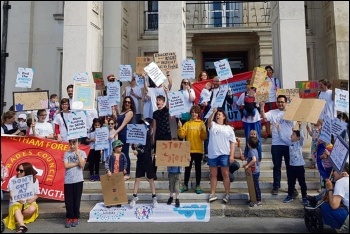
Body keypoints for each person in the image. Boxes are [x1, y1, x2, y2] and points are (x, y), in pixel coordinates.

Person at [260, 95, 296, 196]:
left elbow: (296, 127)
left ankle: (292, 187)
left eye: (282, 102)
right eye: (279, 102)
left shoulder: (291, 113)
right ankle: (276, 186)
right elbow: (264, 116)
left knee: (290, 167)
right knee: (277, 166)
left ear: (286, 102)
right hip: (276, 144)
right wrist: (262, 107)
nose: (280, 104)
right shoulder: (273, 112)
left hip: (289, 144)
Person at [201, 76, 234, 161]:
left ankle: (218, 152)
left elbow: (230, 101)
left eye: (217, 81)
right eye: (214, 81)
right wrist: (204, 103)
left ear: (220, 82)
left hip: (218, 114)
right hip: (209, 114)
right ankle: (206, 153)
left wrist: (230, 93)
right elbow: (202, 101)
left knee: (218, 134)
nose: (216, 83)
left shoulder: (223, 91)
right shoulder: (208, 90)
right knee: (207, 134)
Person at [207, 107, 236, 203]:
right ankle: (212, 193)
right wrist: (213, 112)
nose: (217, 115)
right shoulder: (213, 125)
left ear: (224, 116)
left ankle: (227, 194)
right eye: (217, 114)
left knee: (226, 174)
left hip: (224, 154)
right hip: (213, 154)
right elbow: (209, 122)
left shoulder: (228, 128)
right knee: (213, 174)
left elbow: (232, 143)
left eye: (219, 114)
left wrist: (231, 155)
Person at [178, 105, 207, 194]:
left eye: (196, 112)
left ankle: (198, 185)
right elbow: (181, 135)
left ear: (198, 114)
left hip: (198, 150)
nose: (194, 114)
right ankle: (185, 185)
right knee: (187, 169)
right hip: (188, 150)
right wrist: (179, 127)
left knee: (198, 169)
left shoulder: (202, 124)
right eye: (192, 112)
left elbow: (204, 137)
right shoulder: (187, 124)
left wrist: (203, 130)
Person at [129, 119, 158, 208]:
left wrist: (138, 151)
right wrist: (134, 146)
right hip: (140, 161)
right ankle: (134, 196)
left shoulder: (148, 137)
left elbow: (146, 148)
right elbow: (134, 146)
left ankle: (154, 197)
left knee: (151, 179)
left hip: (148, 160)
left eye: (144, 126)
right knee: (137, 178)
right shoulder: (137, 137)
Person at [3, 162, 40, 233]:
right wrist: (18, 200)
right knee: (16, 208)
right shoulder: (13, 179)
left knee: (32, 208)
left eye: (21, 171)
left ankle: (17, 217)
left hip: (28, 202)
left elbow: (37, 194)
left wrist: (31, 200)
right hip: (16, 202)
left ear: (27, 171)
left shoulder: (34, 180)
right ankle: (22, 225)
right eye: (18, 170)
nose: (19, 172)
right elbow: (11, 195)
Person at [283, 123, 309, 206]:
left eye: (293, 134)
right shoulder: (290, 143)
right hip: (291, 166)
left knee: (302, 182)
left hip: (299, 166)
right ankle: (290, 195)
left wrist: (301, 127)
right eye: (292, 134)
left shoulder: (299, 143)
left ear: (297, 137)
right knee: (291, 182)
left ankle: (304, 197)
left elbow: (302, 137)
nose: (291, 135)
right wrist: (279, 130)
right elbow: (282, 138)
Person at [63, 138, 87, 228]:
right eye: (70, 144)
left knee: (76, 200)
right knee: (68, 200)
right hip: (68, 180)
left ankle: (76, 217)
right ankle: (69, 217)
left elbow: (82, 165)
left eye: (74, 144)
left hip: (78, 180)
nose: (72, 146)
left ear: (78, 143)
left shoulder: (82, 153)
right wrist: (76, 163)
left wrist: (78, 155)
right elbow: (66, 165)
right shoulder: (66, 153)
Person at [319, 162, 349, 230]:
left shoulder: (341, 182)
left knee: (325, 206)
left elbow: (334, 206)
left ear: (342, 172)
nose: (332, 173)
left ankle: (340, 229)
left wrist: (330, 189)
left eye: (334, 170)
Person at [113, 96, 135, 180]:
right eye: (126, 101)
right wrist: (115, 113)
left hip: (125, 134)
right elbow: (118, 121)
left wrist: (115, 132)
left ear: (131, 104)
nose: (127, 103)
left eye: (129, 102)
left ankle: (127, 172)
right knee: (119, 154)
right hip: (119, 135)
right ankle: (120, 171)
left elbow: (123, 125)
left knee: (125, 153)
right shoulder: (122, 112)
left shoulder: (130, 112)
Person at [152, 93, 172, 180]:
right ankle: (153, 173)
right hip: (158, 135)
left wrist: (167, 93)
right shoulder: (155, 113)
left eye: (159, 100)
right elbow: (154, 126)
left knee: (168, 154)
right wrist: (153, 137)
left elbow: (168, 104)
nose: (158, 102)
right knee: (156, 155)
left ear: (163, 102)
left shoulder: (166, 110)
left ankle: (171, 172)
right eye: (157, 100)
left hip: (166, 134)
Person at [242, 135, 262, 207]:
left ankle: (258, 200)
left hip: (254, 172)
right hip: (255, 171)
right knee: (253, 186)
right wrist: (246, 164)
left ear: (248, 144)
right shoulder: (255, 150)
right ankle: (253, 199)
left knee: (255, 186)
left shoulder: (251, 151)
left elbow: (254, 160)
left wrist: (247, 166)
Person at [263, 65, 281, 138]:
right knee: (267, 117)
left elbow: (279, 90)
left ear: (272, 71)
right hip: (266, 101)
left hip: (273, 100)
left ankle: (276, 131)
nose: (268, 71)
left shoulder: (276, 80)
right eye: (267, 70)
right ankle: (268, 132)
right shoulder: (263, 80)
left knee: (274, 117)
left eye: (270, 70)